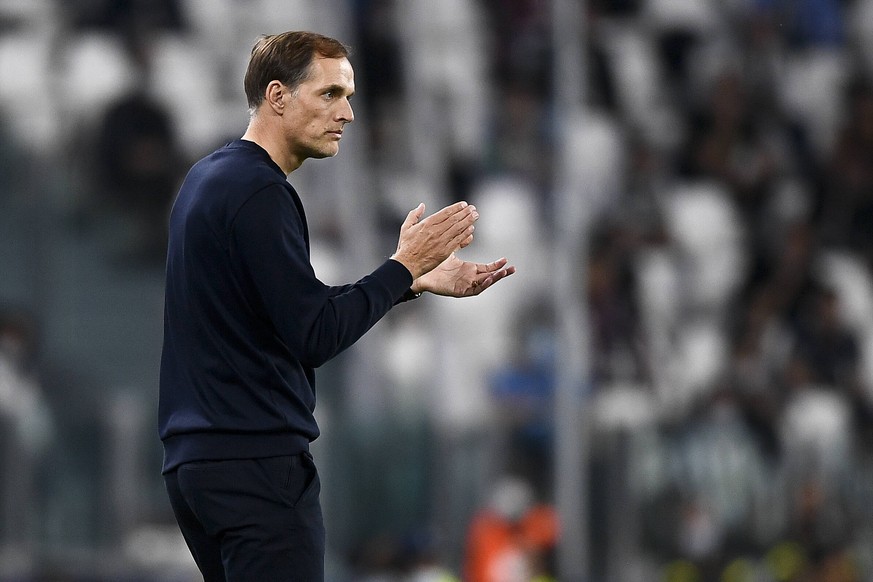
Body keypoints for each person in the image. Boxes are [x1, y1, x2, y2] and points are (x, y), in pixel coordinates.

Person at [158, 30, 515, 581]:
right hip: (256, 463)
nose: (347, 113)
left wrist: (407, 281)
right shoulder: (261, 192)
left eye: (348, 96)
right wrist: (401, 267)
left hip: (197, 464)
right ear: (277, 96)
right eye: (329, 94)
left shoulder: (209, 178)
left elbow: (289, 314)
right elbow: (315, 333)